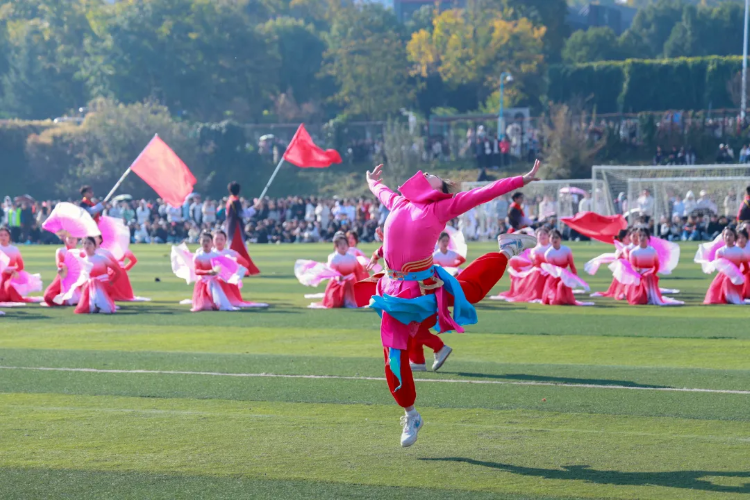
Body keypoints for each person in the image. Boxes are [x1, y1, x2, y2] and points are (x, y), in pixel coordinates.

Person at [365, 161, 540, 447]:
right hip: (393, 291)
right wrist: (372, 180)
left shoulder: (441, 208)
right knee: (393, 357)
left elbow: (485, 192)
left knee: (468, 292)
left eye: (433, 176)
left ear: (439, 189)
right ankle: (411, 414)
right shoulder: (398, 203)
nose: (426, 174)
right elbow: (379, 190)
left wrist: (521, 179)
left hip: (423, 287)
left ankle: (507, 250)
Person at [621, 228, 683, 306]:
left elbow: (656, 266)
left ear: (647, 237)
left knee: (648, 276)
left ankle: (650, 296)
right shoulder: (633, 252)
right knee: (637, 300)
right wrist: (636, 270)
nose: (642, 238)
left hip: (649, 276)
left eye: (644, 235)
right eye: (640, 235)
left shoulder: (652, 251)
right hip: (638, 277)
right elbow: (632, 265)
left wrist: (651, 273)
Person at [491, 226, 551, 303]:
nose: (542, 236)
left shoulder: (535, 248)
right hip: (528, 271)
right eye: (540, 235)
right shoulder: (530, 250)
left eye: (544, 234)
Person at [212, 230, 267, 308]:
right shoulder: (210, 253)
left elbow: (245, 263)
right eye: (216, 239)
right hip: (215, 282)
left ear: (225, 241)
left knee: (232, 302)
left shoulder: (231, 253)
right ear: (212, 240)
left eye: (221, 239)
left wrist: (236, 271)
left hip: (229, 282)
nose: (219, 241)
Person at [540, 229, 592, 306]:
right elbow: (553, 269)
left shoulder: (566, 250)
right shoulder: (548, 254)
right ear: (549, 239)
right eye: (552, 238)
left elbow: (571, 265)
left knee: (563, 287)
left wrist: (574, 276)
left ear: (560, 238)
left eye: (556, 237)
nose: (555, 240)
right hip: (554, 276)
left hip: (566, 274)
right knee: (554, 301)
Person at [191, 232, 239, 312]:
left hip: (214, 282)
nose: (206, 243)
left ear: (212, 242)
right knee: (203, 306)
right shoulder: (198, 256)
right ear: (200, 242)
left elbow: (223, 268)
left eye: (208, 241)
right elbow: (196, 271)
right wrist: (208, 272)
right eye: (204, 241)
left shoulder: (216, 255)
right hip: (203, 282)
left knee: (220, 304)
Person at [74, 236, 121, 314]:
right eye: (85, 243)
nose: (87, 246)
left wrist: (111, 282)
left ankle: (100, 305)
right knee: (82, 309)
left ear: (94, 246)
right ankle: (95, 305)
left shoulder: (102, 258)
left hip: (104, 286)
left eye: (89, 243)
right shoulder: (82, 262)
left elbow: (118, 271)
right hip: (89, 288)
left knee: (94, 281)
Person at [703, 227, 749, 305]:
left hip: (735, 280)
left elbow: (746, 268)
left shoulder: (740, 252)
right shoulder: (720, 252)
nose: (728, 237)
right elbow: (719, 267)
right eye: (726, 235)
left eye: (731, 235)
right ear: (723, 237)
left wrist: (738, 276)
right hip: (722, 277)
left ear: (735, 237)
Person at [225, 182, 261, 276]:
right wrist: (254, 208)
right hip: (236, 229)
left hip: (230, 227)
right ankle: (242, 269)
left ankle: (237, 269)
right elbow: (242, 214)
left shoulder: (230, 200)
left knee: (234, 249)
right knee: (239, 250)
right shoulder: (235, 201)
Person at [0, 226, 43, 303]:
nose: (3, 237)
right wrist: (5, 270)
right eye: (1, 235)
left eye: (6, 235)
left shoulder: (14, 249)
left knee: (9, 288)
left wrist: (12, 271)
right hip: (1, 275)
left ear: (9, 237)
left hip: (12, 275)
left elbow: (21, 266)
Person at [43, 236, 80, 307]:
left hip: (77, 279)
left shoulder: (80, 252)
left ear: (77, 239)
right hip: (63, 277)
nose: (71, 240)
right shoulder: (61, 251)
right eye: (69, 238)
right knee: (48, 296)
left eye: (73, 238)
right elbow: (59, 265)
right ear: (65, 239)